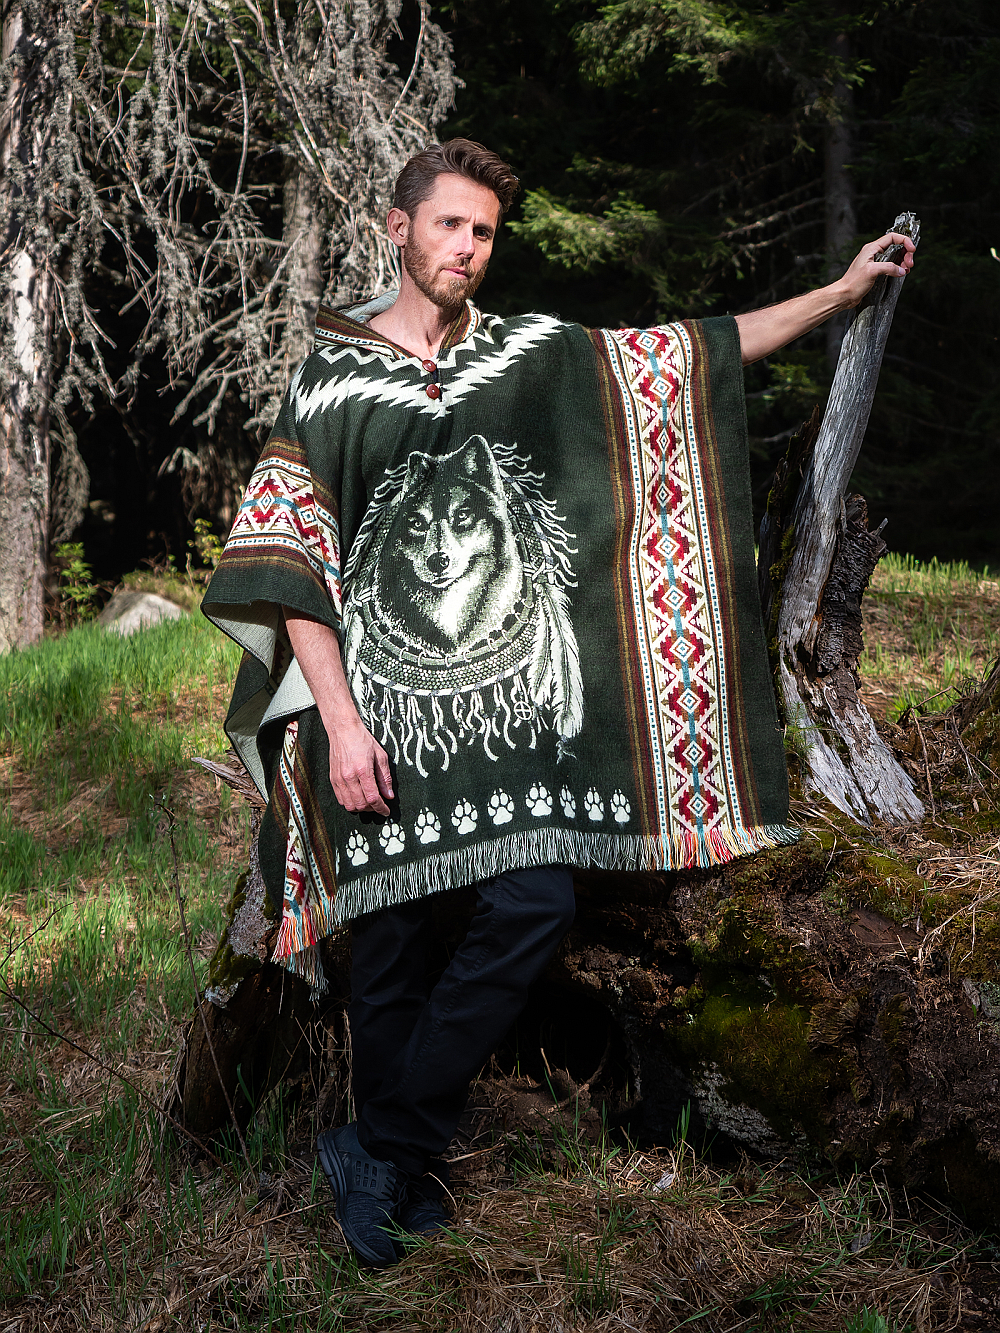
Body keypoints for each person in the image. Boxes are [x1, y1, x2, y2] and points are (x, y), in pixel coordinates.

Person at [202, 139, 915, 1268]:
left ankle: (380, 1146)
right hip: (371, 716)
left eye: (483, 232)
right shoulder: (329, 379)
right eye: (449, 225)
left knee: (532, 901)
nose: (466, 248)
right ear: (398, 229)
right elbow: (293, 564)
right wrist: (339, 726)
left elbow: (689, 353)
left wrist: (839, 293)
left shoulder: (526, 355)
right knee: (387, 938)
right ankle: (393, 1171)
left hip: (502, 724)